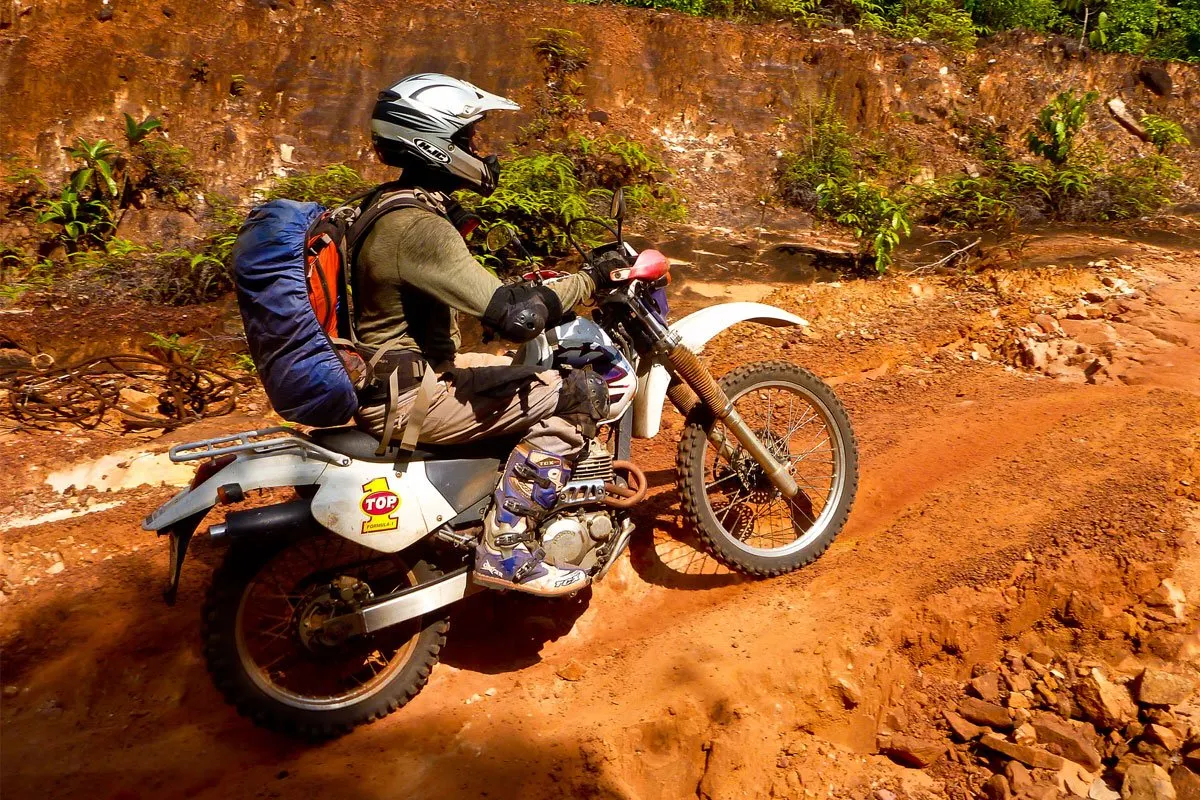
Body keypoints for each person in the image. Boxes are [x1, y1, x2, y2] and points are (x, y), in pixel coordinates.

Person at [353, 73, 609, 597]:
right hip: (410, 397)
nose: (480, 151)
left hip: (403, 376)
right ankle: (507, 549)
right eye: (470, 138)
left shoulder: (388, 204)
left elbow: (488, 298)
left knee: (516, 371)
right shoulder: (418, 227)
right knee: (579, 391)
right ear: (434, 140)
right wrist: (591, 280)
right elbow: (517, 319)